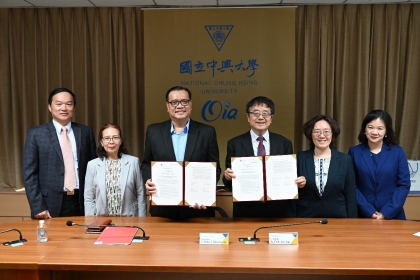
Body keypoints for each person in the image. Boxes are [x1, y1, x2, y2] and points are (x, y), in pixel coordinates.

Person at [141, 86, 221, 219]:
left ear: (191, 104)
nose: (179, 106)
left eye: (184, 101)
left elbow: (215, 168)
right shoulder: (153, 131)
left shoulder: (207, 132)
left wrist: (204, 192)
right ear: (167, 106)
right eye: (174, 102)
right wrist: (148, 180)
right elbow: (145, 164)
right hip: (163, 208)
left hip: (198, 208)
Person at [223, 96, 306, 218]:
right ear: (248, 117)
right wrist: (228, 177)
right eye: (256, 113)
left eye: (265, 113)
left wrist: (298, 183)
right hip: (245, 210)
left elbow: (289, 178)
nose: (261, 117)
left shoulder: (284, 143)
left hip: (278, 210)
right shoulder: (234, 143)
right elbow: (229, 183)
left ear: (271, 118)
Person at [22, 88, 96, 219]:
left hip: (82, 201)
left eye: (69, 104)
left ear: (73, 107)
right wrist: (38, 206)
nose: (64, 108)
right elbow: (29, 174)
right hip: (49, 204)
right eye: (59, 104)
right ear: (50, 107)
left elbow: (94, 168)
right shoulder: (36, 134)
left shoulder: (85, 132)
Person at [348, 110, 410, 220]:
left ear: (386, 131)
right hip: (362, 213)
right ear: (364, 129)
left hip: (392, 214)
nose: (374, 132)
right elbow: (351, 185)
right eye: (370, 127)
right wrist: (369, 211)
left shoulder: (397, 152)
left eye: (380, 128)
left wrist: (386, 212)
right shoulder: (354, 152)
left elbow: (403, 185)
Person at [296, 115, 357, 218]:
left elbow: (350, 195)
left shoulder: (345, 160)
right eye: (317, 131)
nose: (322, 135)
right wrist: (298, 187)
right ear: (310, 134)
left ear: (332, 135)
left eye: (326, 131)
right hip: (306, 216)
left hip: (338, 217)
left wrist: (352, 222)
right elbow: (291, 192)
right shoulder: (300, 158)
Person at [84, 124, 146, 217]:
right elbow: (89, 198)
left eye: (115, 137)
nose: (111, 141)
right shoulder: (92, 165)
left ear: (120, 141)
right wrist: (90, 222)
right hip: (102, 221)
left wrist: (142, 221)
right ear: (101, 142)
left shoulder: (133, 162)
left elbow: (141, 194)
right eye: (107, 138)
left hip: (130, 219)